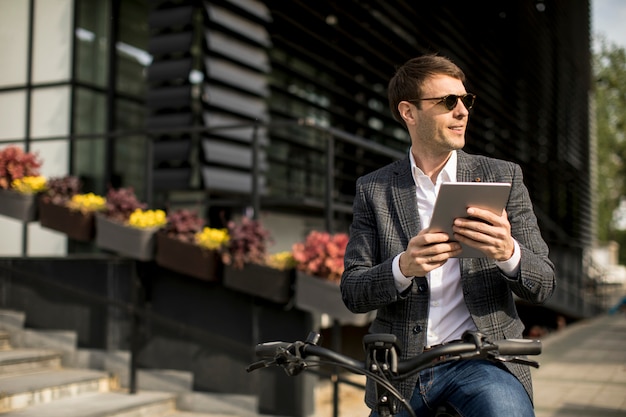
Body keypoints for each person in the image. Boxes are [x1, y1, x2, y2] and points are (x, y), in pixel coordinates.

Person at [340, 54, 556, 417]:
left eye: (465, 100)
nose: (462, 112)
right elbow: (353, 291)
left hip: (482, 361)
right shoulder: (374, 189)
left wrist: (508, 253)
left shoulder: (503, 176)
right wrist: (402, 267)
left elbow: (544, 283)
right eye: (448, 102)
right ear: (408, 112)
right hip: (402, 369)